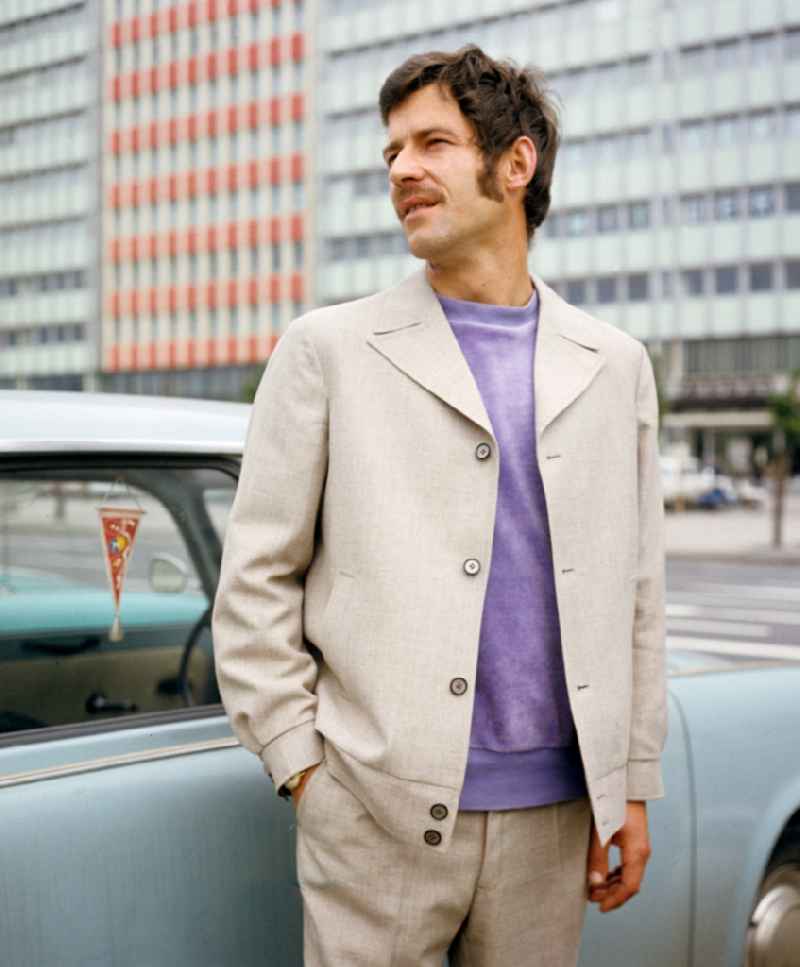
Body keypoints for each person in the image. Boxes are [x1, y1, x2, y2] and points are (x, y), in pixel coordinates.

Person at [212, 44, 666, 967]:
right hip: (372, 814)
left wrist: (634, 788)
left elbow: (638, 590)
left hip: (556, 814)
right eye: (391, 153)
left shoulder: (614, 364)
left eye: (432, 143)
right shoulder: (328, 349)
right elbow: (255, 580)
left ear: (516, 163)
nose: (402, 171)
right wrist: (305, 769)